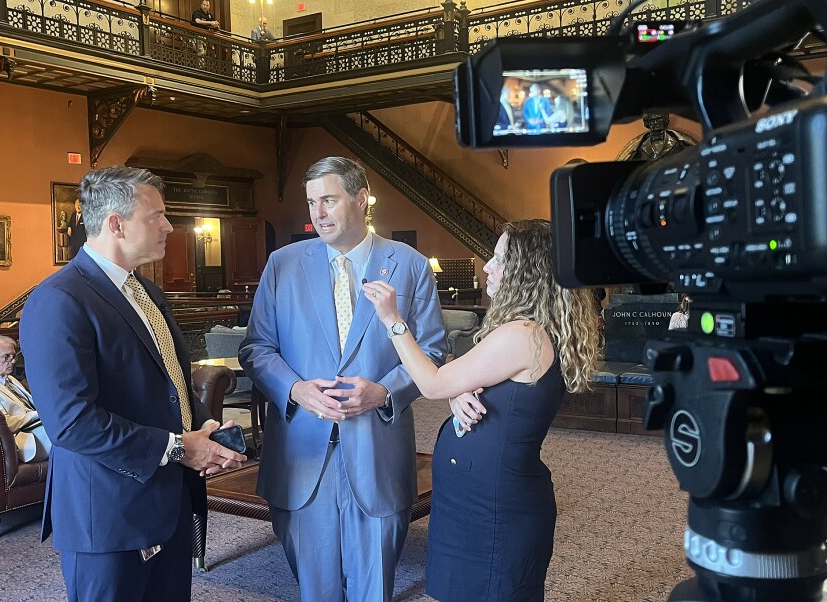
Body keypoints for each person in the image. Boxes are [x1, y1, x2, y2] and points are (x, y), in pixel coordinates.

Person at [19, 166, 246, 602]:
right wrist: (180, 448)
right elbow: (71, 423)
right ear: (115, 224)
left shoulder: (145, 291)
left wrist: (203, 435)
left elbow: (169, 382)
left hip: (168, 502)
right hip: (108, 514)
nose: (169, 226)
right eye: (156, 215)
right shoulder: (59, 300)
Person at [238, 156, 446, 601]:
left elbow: (432, 351)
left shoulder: (408, 264)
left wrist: (384, 391)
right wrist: (294, 389)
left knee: (374, 588)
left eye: (328, 200)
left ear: (361, 199)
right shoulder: (282, 264)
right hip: (301, 454)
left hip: (377, 450)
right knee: (316, 590)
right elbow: (255, 348)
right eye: (312, 202)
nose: (318, 213)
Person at [363, 219, 602, 601]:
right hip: (477, 498)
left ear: (528, 273)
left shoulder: (524, 334)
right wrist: (457, 394)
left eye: (499, 259)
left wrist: (393, 321)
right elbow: (461, 383)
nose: (487, 266)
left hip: (494, 506)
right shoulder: (531, 330)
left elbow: (432, 383)